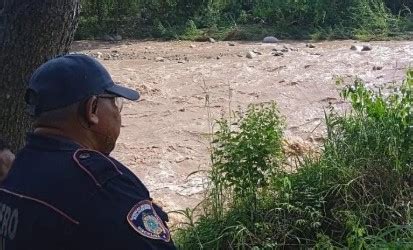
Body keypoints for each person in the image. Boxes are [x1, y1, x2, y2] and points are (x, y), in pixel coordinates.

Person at [0, 54, 176, 249]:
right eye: (115, 103)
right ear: (92, 109)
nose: (118, 114)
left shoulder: (14, 170)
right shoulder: (103, 185)